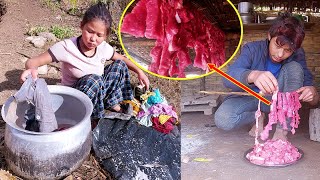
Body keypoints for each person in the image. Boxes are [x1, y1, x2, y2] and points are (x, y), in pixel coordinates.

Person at [20, 2, 150, 120]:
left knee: (119, 66)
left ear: (105, 36)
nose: (93, 39)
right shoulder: (67, 47)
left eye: (99, 35)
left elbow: (122, 58)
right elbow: (33, 62)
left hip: (97, 89)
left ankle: (110, 103)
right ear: (82, 26)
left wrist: (139, 71)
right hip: (75, 98)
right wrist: (31, 69)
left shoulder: (103, 47)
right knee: (94, 80)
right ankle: (93, 118)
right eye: (90, 31)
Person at [214, 13, 319, 140]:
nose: (280, 54)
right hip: (250, 98)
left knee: (295, 68)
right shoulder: (252, 49)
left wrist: (312, 93)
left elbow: (313, 97)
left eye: (288, 50)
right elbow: (227, 78)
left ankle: (282, 129)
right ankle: (258, 115)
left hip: (276, 101)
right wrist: (253, 75)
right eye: (278, 46)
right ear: (269, 36)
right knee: (223, 119)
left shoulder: (297, 55)